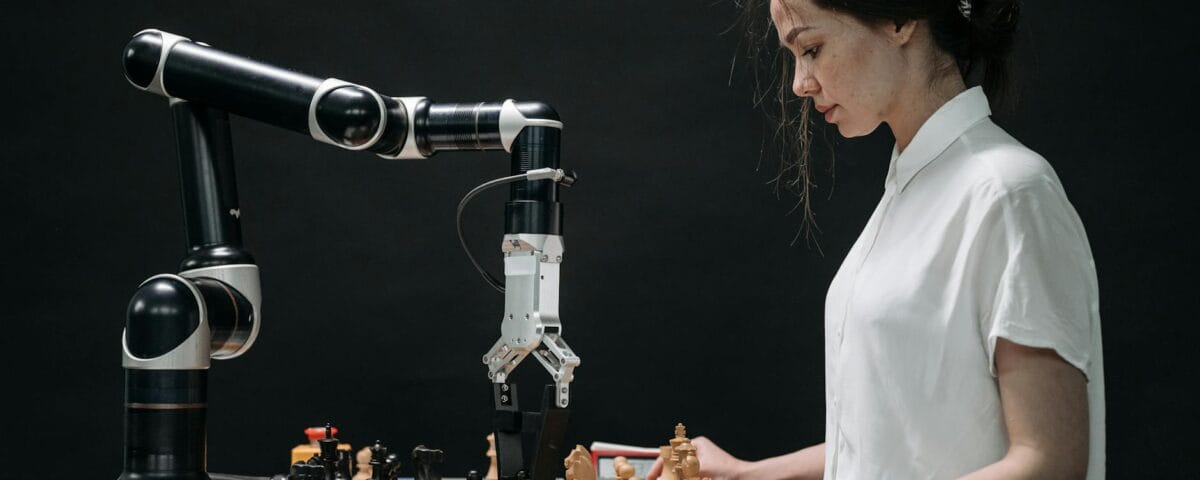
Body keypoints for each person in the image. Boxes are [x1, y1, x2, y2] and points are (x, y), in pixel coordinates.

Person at [649, 0, 1104, 478]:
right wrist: (747, 473)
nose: (799, 83)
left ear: (900, 20)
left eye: (811, 48)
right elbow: (890, 443)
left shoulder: (1008, 192)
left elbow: (1050, 461)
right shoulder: (911, 190)